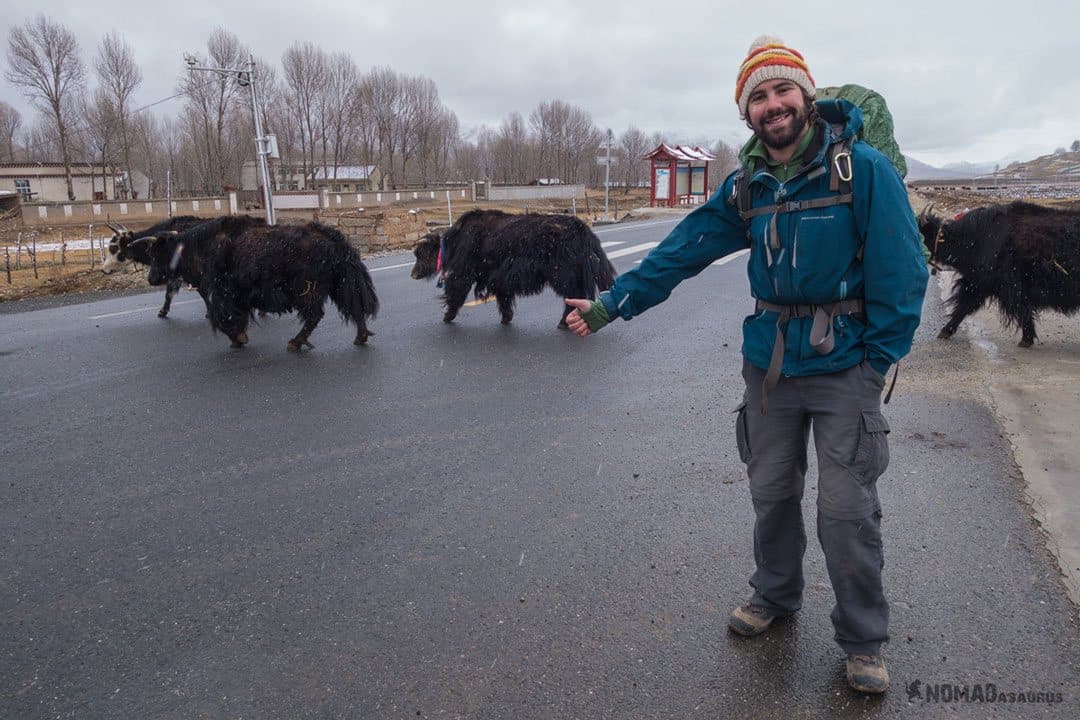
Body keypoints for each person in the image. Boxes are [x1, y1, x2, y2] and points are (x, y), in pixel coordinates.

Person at [564, 35, 929, 695]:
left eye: (783, 89)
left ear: (806, 96)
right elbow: (684, 250)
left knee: (846, 510)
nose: (773, 104)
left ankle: (862, 639)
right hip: (769, 365)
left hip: (846, 365)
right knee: (772, 493)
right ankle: (775, 594)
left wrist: (877, 362)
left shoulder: (862, 170)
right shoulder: (747, 186)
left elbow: (903, 273)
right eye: (758, 96)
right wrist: (613, 304)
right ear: (746, 112)